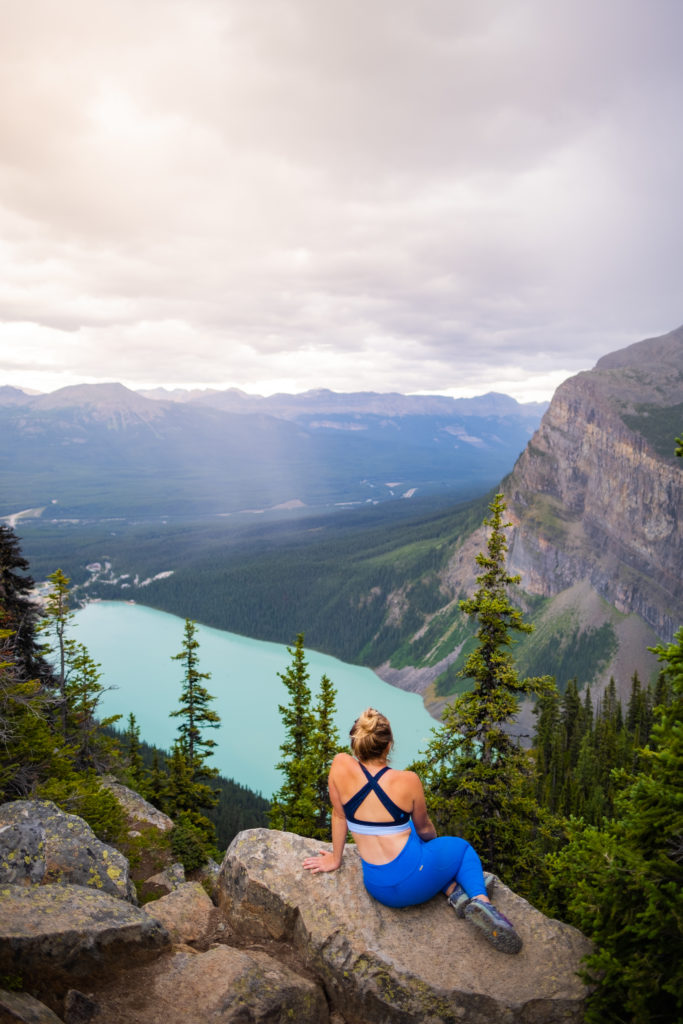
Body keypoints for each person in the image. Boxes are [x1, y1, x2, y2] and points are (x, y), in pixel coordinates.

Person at [302, 707, 522, 954]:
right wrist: (434, 853)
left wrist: (335, 858)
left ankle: (454, 892)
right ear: (388, 746)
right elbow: (424, 827)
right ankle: (483, 904)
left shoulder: (340, 765)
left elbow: (339, 814)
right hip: (414, 884)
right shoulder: (408, 780)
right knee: (461, 850)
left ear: (357, 743)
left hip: (377, 886)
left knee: (407, 834)